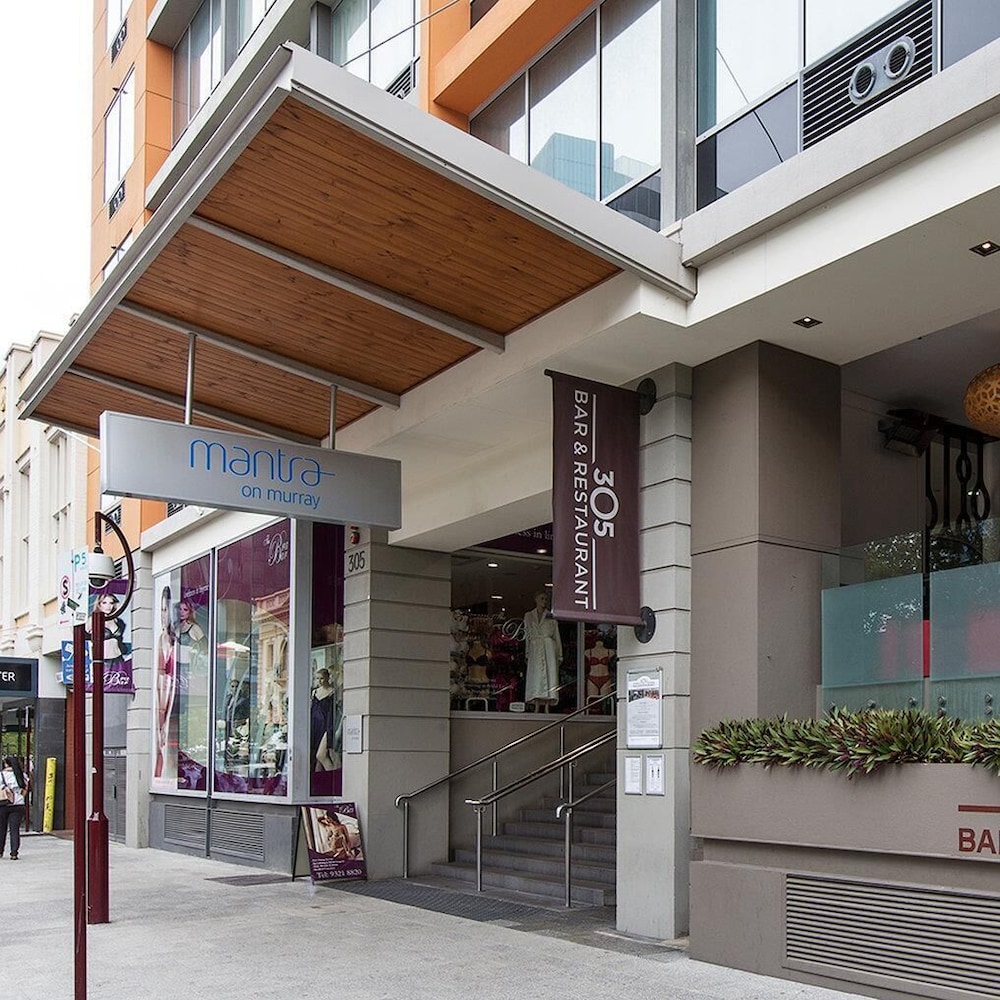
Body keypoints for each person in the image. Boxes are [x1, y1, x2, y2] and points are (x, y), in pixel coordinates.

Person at [523, 589, 562, 711]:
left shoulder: (551, 616)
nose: (544, 601)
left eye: (545, 599)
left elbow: (556, 635)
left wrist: (559, 654)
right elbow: (527, 635)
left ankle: (547, 706)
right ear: (536, 600)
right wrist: (527, 652)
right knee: (536, 677)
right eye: (542, 598)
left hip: (549, 647)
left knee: (549, 676)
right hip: (535, 647)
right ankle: (536, 704)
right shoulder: (529, 616)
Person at [154, 585, 177, 779]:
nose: (164, 615)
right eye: (161, 610)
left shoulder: (176, 640)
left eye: (166, 609)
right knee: (162, 742)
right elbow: (159, 679)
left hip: (175, 694)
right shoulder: (161, 639)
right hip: (164, 695)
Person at [310, 667, 342, 773]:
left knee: (323, 754)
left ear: (327, 678)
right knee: (317, 757)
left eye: (322, 678)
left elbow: (333, 711)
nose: (319, 681)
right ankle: (320, 779)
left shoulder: (332, 692)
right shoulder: (314, 692)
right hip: (315, 725)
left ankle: (332, 774)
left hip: (327, 725)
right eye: (317, 678)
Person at [0, 756, 27, 860]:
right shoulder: (22, 775)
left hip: (3, 804)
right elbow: (25, 791)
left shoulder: (1, 775)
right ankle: (14, 853)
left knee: (2, 828)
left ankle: (0, 851)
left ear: (6, 764)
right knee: (14, 830)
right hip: (18, 804)